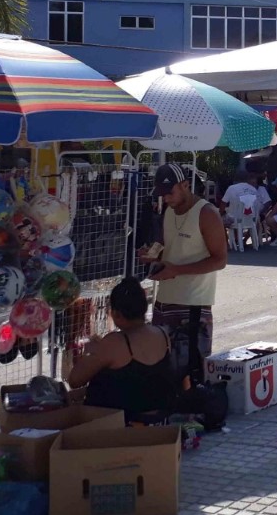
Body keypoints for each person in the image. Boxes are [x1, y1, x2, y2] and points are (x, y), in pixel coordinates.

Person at [139, 163, 229, 376]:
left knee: (190, 371)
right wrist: (151, 254)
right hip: (164, 302)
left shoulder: (206, 213)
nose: (166, 199)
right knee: (163, 369)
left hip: (193, 305)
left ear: (186, 185)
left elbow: (220, 260)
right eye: (162, 194)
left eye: (170, 193)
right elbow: (167, 247)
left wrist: (177, 270)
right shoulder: (169, 211)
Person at [68, 279, 175, 422]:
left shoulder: (115, 343)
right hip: (158, 417)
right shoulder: (162, 334)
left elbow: (74, 380)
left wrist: (90, 352)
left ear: (116, 314)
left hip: (121, 423)